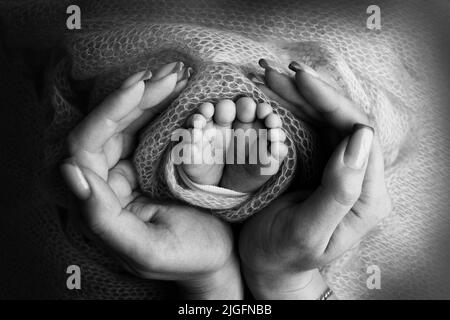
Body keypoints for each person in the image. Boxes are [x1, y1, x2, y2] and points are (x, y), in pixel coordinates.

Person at [60, 60, 392, 299]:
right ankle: (235, 187)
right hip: (291, 210)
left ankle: (206, 189)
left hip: (155, 172)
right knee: (305, 141)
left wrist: (212, 284)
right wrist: (283, 280)